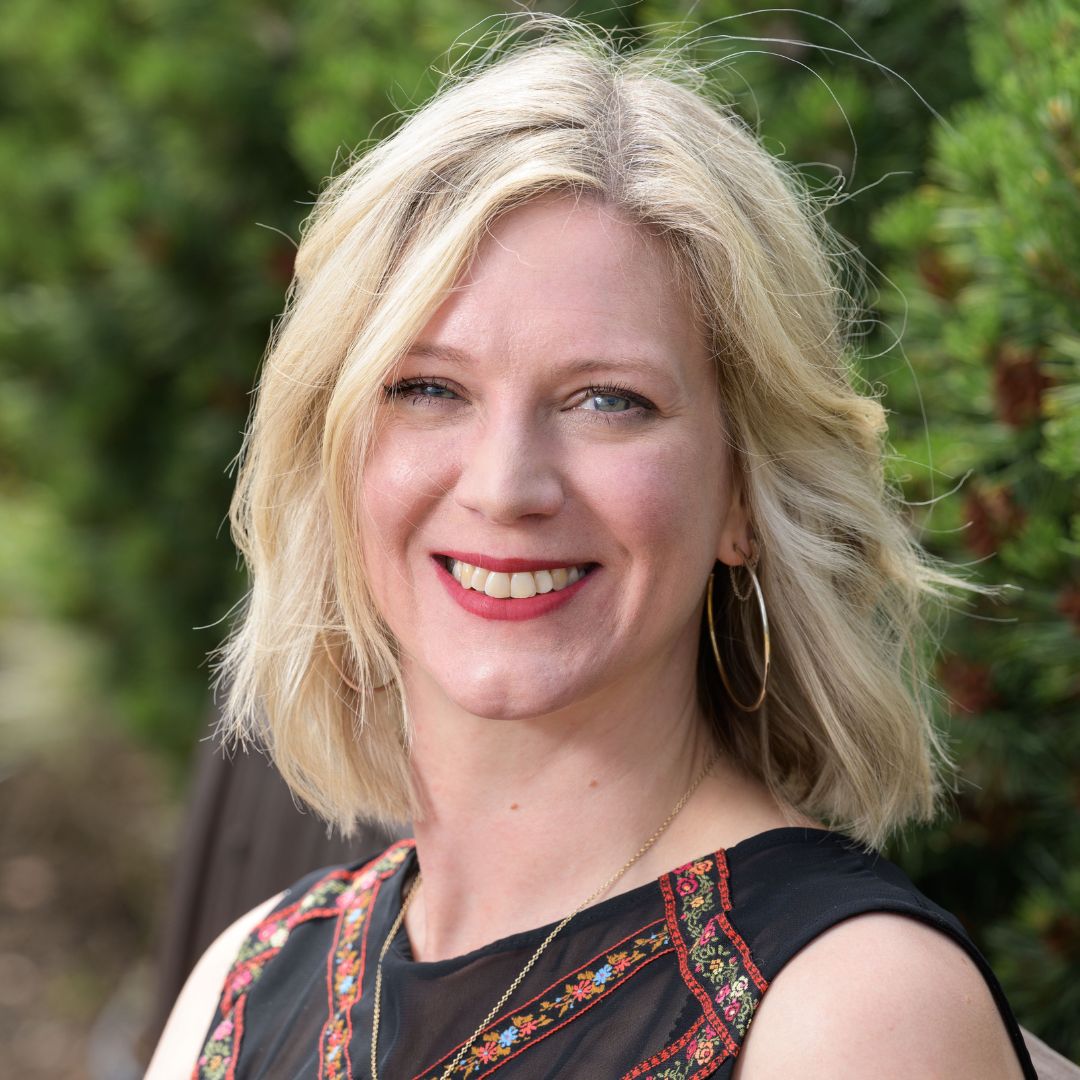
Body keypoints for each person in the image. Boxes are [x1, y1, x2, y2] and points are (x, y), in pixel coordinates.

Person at [148, 19, 1040, 1079]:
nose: (505, 486)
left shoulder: (850, 1011)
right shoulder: (246, 985)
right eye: (428, 389)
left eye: (608, 400)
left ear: (743, 493)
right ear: (336, 456)